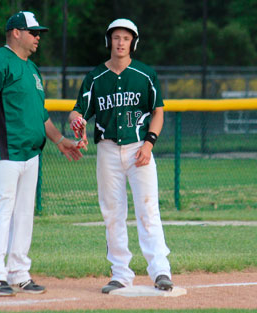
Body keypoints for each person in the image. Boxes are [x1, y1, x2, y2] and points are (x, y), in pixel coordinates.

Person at [0, 11, 83, 297]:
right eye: (33, 32)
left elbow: (41, 116)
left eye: (39, 33)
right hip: (0, 151)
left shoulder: (32, 70)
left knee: (23, 214)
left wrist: (61, 140)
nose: (38, 37)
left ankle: (18, 272)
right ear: (15, 32)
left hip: (29, 154)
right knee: (2, 210)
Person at [68, 18, 173, 293]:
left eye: (126, 38)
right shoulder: (95, 78)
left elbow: (158, 111)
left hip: (140, 147)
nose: (120, 42)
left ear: (133, 43)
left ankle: (161, 271)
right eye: (116, 37)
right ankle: (121, 273)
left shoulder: (146, 75)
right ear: (109, 41)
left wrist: (149, 144)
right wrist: (76, 121)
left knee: (148, 209)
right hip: (108, 151)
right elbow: (79, 110)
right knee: (113, 212)